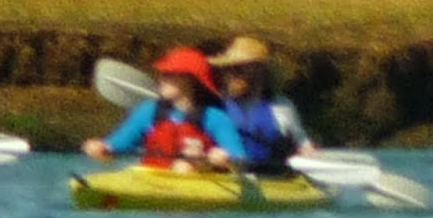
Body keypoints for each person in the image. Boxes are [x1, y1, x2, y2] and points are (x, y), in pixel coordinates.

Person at [82, 47, 244, 172]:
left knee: (183, 168)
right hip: (153, 177)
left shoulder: (215, 117)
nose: (161, 79)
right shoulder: (149, 111)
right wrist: (103, 147)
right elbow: (120, 141)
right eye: (162, 74)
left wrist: (224, 157)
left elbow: (239, 157)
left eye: (168, 74)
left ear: (190, 80)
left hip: (200, 178)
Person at [210, 36, 316, 173]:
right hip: (225, 179)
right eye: (228, 69)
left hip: (271, 180)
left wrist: (307, 152)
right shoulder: (216, 105)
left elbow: (302, 143)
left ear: (259, 71)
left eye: (238, 69)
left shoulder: (281, 106)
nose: (231, 75)